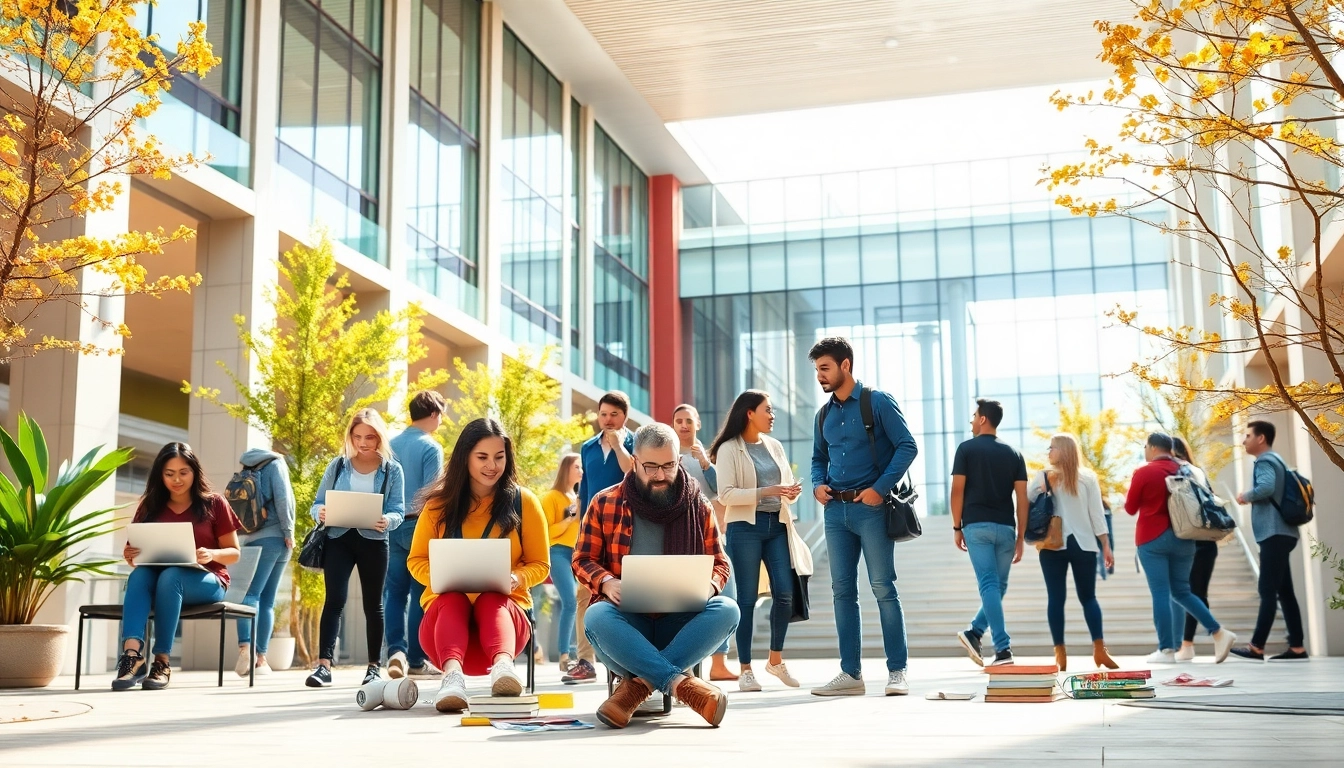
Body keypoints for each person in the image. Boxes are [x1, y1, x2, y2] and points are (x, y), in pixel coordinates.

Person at [576, 423, 739, 728]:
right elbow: (583, 559)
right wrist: (607, 583)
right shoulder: (604, 502)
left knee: (728, 609)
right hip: (626, 630)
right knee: (596, 616)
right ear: (634, 461)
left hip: (681, 627)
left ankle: (637, 688)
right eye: (650, 466)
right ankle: (681, 685)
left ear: (679, 461)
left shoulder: (699, 505)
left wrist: (707, 587)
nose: (660, 475)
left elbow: (720, 563)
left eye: (668, 466)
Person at [407, 418, 550, 712]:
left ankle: (504, 671)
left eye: (499, 457)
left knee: (491, 598)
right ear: (465, 458)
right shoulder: (437, 505)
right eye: (482, 457)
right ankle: (451, 680)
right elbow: (416, 560)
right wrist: (442, 576)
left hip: (506, 625)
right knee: (452, 598)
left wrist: (516, 577)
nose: (492, 466)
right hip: (443, 630)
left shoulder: (524, 502)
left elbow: (540, 564)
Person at [808, 337, 918, 696]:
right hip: (835, 512)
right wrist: (817, 484)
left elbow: (907, 446)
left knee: (883, 588)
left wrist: (881, 488)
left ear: (845, 365)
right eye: (817, 369)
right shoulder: (823, 414)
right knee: (842, 592)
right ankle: (850, 674)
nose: (820, 376)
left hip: (871, 510)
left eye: (825, 368)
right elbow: (818, 458)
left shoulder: (877, 401)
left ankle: (897, 671)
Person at [114, 443, 242, 691]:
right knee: (139, 576)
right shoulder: (149, 505)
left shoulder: (214, 503)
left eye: (183, 472)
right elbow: (135, 553)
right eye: (169, 473)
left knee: (171, 577)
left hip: (208, 580)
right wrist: (130, 555)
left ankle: (161, 662)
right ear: (160, 475)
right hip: (159, 579)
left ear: (194, 472)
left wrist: (211, 554)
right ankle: (132, 657)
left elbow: (234, 553)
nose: (177, 479)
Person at [710, 390, 807, 692]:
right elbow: (726, 494)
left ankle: (775, 660)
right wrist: (767, 491)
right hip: (745, 529)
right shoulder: (729, 449)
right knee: (747, 599)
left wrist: (791, 491)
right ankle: (746, 670)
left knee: (785, 593)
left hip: (777, 525)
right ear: (750, 413)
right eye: (768, 410)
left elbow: (784, 486)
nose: (772, 415)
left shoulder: (774, 446)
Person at [306, 409, 406, 688]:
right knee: (334, 601)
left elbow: (398, 510)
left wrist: (387, 520)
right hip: (338, 538)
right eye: (357, 436)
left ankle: (374, 668)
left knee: (374, 605)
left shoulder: (392, 470)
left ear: (379, 438)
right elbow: (317, 503)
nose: (363, 443)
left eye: (370, 437)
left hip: (374, 541)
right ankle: (324, 666)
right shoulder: (338, 466)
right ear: (350, 436)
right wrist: (320, 513)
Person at [1125, 432, 1236, 664]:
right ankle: (1218, 632)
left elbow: (1130, 507)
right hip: (1185, 538)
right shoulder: (1187, 469)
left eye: (1145, 447)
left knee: (1161, 593)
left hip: (1152, 539)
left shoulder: (1144, 472)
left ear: (1153, 448)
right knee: (1182, 592)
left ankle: (1166, 650)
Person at [1028, 433, 1117, 671]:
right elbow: (1097, 514)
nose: (1049, 452)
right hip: (1083, 544)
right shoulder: (1087, 477)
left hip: (1052, 545)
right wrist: (1105, 544)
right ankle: (1099, 650)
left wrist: (1041, 489)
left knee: (1056, 599)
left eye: (1052, 448)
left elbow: (1027, 501)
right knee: (1088, 598)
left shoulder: (1044, 476)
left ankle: (1061, 654)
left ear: (1064, 450)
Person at [564, 391, 635, 685]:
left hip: (625, 529)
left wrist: (618, 446)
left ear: (625, 416)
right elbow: (584, 490)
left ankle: (625, 663)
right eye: (603, 414)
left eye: (614, 415)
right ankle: (585, 661)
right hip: (593, 529)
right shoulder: (588, 447)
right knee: (584, 594)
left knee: (624, 594)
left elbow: (633, 473)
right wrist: (580, 528)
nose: (607, 420)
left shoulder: (636, 443)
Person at [951, 399, 1028, 667]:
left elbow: (957, 491)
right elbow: (1022, 499)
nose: (972, 420)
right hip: (1006, 528)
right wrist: (1020, 537)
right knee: (997, 586)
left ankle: (1002, 649)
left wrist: (957, 526)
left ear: (983, 419)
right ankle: (974, 633)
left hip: (977, 527)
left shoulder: (966, 449)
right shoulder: (1014, 454)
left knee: (990, 585)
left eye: (974, 416)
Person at [1230, 421, 1309, 662]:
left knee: (1267, 590)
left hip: (1274, 533)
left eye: (1247, 435)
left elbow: (1265, 487)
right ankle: (1297, 647)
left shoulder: (1265, 461)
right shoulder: (1278, 460)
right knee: (1285, 592)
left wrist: (1245, 496)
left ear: (1261, 438)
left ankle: (1257, 647)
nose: (1244, 440)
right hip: (1284, 532)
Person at [384, 391, 447, 680]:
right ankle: (417, 661)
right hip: (418, 526)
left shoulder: (390, 445)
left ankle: (395, 652)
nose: (441, 421)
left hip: (390, 524)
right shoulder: (430, 447)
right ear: (433, 414)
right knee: (420, 593)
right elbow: (433, 494)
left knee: (394, 593)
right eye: (441, 415)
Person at [674, 403, 738, 682]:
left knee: (726, 593)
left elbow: (722, 490)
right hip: (681, 539)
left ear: (698, 424)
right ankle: (687, 662)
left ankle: (719, 663)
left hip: (711, 537)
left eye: (689, 420)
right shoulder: (668, 454)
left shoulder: (710, 457)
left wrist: (704, 464)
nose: (684, 425)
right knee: (687, 600)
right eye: (679, 421)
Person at [232, 446, 295, 677]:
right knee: (265, 600)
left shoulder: (246, 468)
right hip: (276, 538)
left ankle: (246, 650)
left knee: (249, 595)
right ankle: (258, 657)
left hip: (249, 538)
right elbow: (283, 498)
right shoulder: (276, 464)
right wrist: (289, 532)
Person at [1172, 436, 1218, 662]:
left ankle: (1190, 643)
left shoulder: (1179, 472)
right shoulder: (1198, 471)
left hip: (1192, 540)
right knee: (1198, 593)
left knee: (1188, 593)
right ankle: (1206, 639)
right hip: (1207, 539)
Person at [542, 453, 583, 672]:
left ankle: (577, 653)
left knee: (581, 602)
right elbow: (546, 533)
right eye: (577, 467)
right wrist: (570, 519)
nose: (581, 471)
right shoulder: (551, 497)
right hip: (557, 552)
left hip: (577, 554)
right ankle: (565, 654)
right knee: (570, 600)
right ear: (566, 469)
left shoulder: (577, 497)